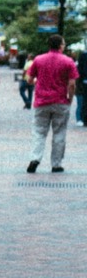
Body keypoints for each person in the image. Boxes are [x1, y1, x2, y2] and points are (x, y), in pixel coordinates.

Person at [26, 34, 79, 174]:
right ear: (60, 46)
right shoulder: (68, 61)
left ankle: (35, 158)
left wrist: (38, 82)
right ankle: (56, 164)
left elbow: (29, 79)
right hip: (61, 101)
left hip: (41, 101)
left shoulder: (38, 59)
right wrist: (70, 98)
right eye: (64, 44)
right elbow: (72, 84)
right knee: (59, 133)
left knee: (39, 131)